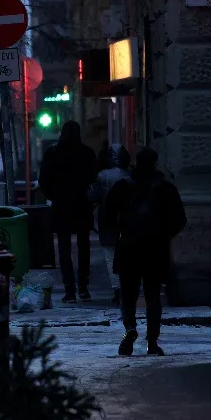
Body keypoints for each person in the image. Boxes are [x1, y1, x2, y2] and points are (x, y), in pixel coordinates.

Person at [103, 147, 186, 356]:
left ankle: (130, 329)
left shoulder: (124, 186)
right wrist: (163, 234)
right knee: (153, 296)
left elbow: (107, 214)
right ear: (155, 163)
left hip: (128, 247)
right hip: (155, 249)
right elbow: (180, 219)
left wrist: (116, 234)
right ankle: (152, 341)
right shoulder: (164, 187)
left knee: (128, 295)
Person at [38, 120, 98, 303]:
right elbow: (93, 178)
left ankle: (69, 290)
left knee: (64, 249)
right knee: (83, 246)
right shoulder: (87, 153)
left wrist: (54, 196)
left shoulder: (53, 153)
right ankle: (83, 287)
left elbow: (43, 181)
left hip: (62, 206)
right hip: (82, 206)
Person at [91, 144, 132, 304]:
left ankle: (117, 288)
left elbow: (94, 196)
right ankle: (127, 285)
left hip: (107, 217)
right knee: (127, 254)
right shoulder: (130, 175)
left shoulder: (101, 175)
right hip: (127, 218)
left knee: (110, 254)